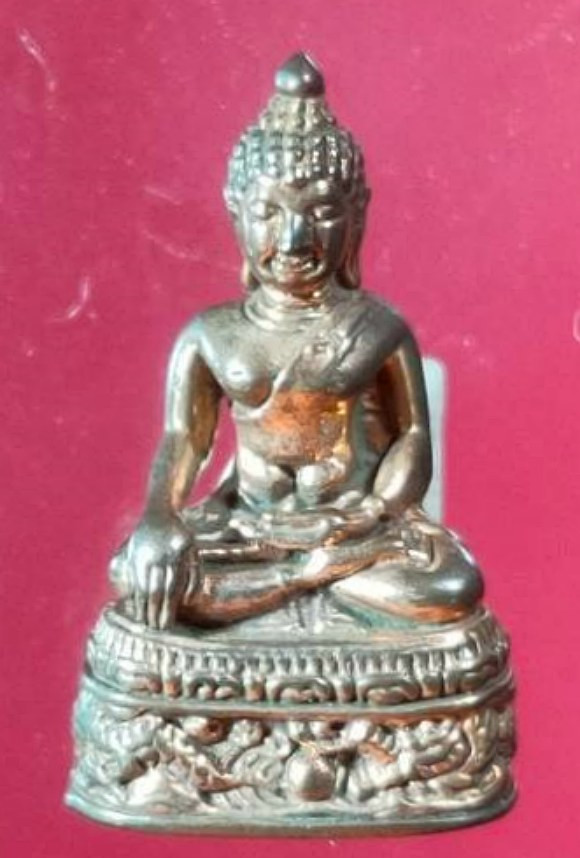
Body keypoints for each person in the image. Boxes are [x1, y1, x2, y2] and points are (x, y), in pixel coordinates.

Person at [110, 53, 482, 631]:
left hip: (351, 530)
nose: (293, 238)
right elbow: (183, 437)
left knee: (450, 588)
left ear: (356, 217)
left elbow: (411, 435)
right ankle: (301, 580)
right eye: (268, 212)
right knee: (136, 572)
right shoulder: (210, 333)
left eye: (322, 213)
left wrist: (373, 511)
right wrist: (160, 517)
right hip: (246, 526)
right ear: (236, 212)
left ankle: (291, 584)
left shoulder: (378, 328)